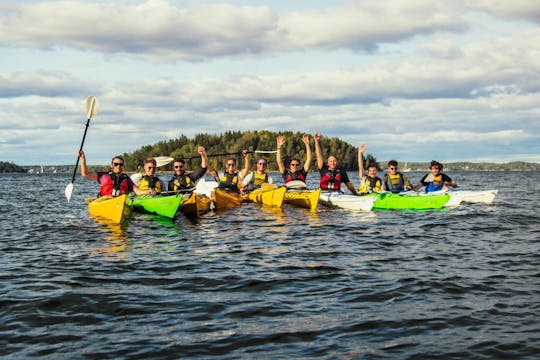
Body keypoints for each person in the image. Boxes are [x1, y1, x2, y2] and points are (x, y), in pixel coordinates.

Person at [77, 150, 150, 196]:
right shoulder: (103, 175)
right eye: (116, 164)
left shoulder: (126, 178)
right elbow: (85, 174)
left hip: (120, 202)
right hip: (105, 201)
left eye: (121, 164)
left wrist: (148, 192)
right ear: (111, 165)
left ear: (123, 166)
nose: (118, 166)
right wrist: (83, 158)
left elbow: (137, 191)